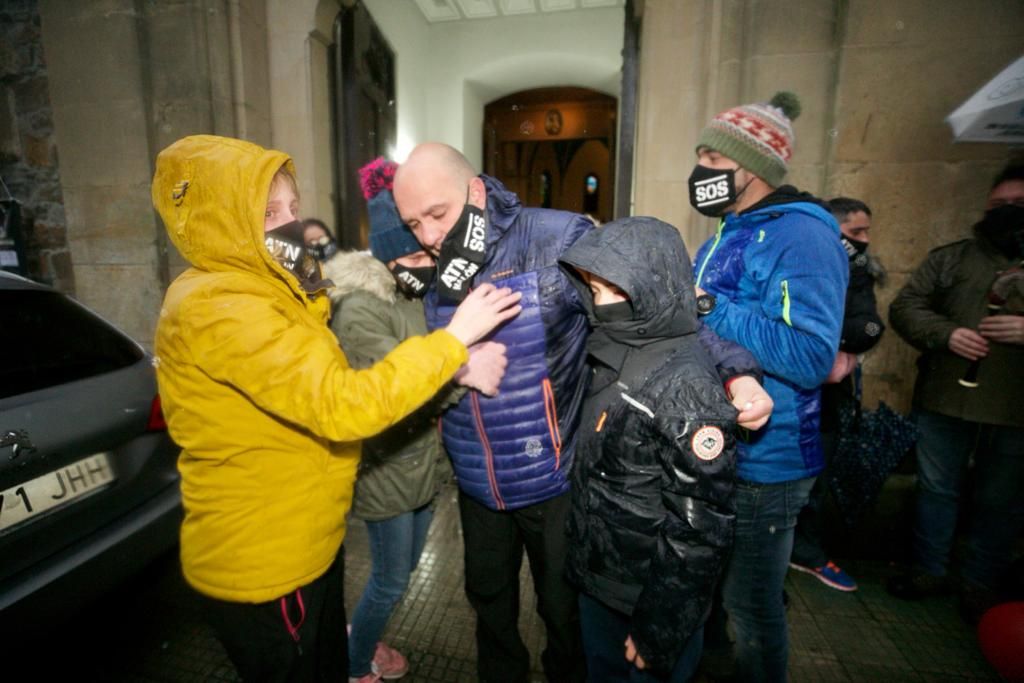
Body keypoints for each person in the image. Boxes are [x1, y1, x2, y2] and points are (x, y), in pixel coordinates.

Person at [392, 142, 772, 683]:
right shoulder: (431, 266)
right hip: (477, 480)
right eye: (413, 224)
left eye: (438, 214)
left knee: (563, 617)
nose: (428, 236)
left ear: (475, 191)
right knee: (489, 608)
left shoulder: (557, 237)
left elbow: (658, 312)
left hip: (555, 475)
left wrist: (735, 372)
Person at [151, 134, 522, 681]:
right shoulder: (220, 305)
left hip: (304, 543)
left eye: (293, 210)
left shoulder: (267, 290)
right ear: (220, 220)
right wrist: (455, 343)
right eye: (268, 212)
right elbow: (342, 404)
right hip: (264, 562)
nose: (291, 225)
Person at [323, 158, 507, 683]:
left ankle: (363, 637)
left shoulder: (418, 294)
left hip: (421, 470)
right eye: (406, 249)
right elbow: (397, 389)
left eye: (423, 248)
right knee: (388, 581)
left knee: (400, 573)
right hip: (386, 473)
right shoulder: (359, 309)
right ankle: (355, 666)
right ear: (383, 254)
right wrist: (463, 374)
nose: (422, 256)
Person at [688, 93, 848, 681]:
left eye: (711, 157)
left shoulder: (801, 237)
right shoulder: (727, 233)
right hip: (718, 448)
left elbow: (809, 357)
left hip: (769, 459)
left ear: (748, 168)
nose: (699, 170)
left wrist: (706, 304)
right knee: (709, 597)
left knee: (752, 607)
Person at [559, 216, 738, 682]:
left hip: (649, 598)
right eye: (595, 290)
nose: (600, 304)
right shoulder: (613, 346)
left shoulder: (687, 387)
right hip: (603, 581)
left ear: (654, 289)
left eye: (616, 292)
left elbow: (699, 529)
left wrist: (660, 627)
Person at [887, 163, 1024, 623]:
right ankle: (929, 570)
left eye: (1018, 206)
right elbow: (906, 307)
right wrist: (946, 334)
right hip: (946, 397)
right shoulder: (954, 258)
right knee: (936, 489)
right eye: (998, 205)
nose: (1007, 213)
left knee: (1000, 498)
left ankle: (981, 583)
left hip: (1013, 407)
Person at [789, 196, 886, 592]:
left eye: (866, 232)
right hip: (787, 397)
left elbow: (870, 326)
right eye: (855, 232)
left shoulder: (858, 275)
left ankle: (804, 552)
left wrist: (837, 346)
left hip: (828, 404)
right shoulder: (799, 265)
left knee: (814, 482)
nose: (863, 241)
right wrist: (827, 348)